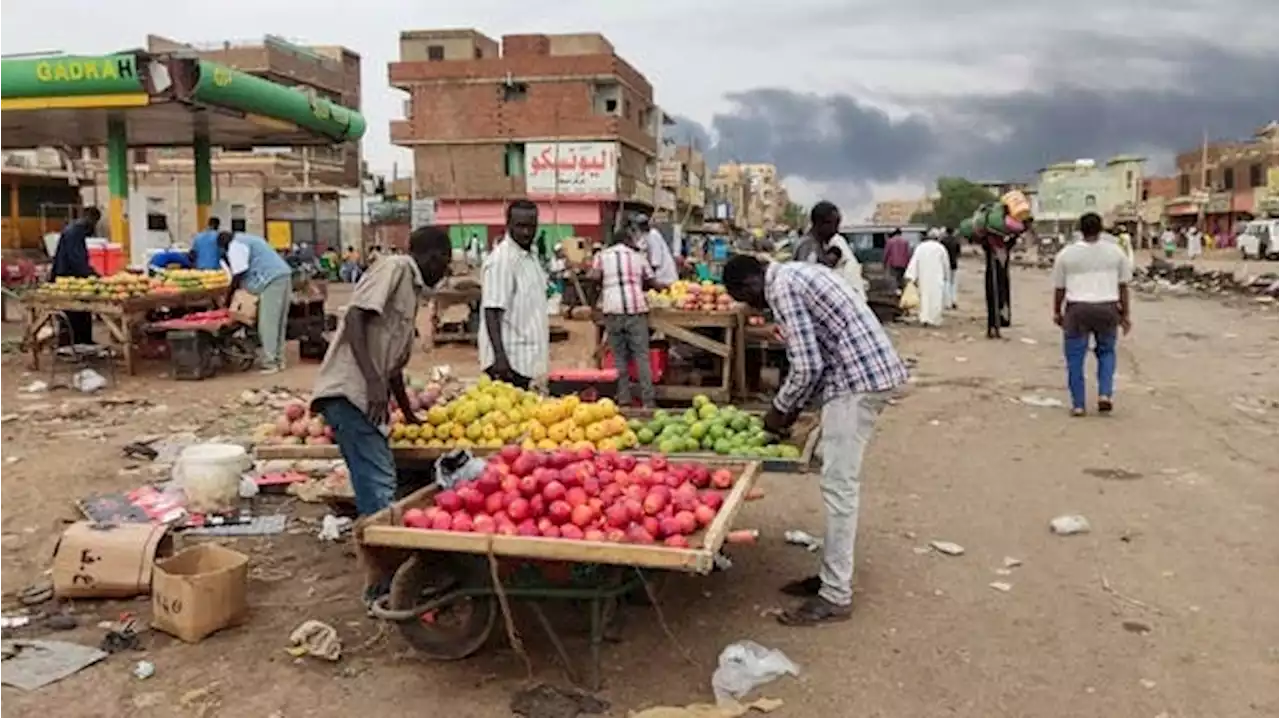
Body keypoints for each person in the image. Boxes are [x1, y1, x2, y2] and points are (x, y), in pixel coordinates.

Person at [722, 255, 908, 626]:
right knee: (835, 477)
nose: (752, 306)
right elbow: (817, 355)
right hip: (862, 374)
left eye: (745, 297)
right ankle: (830, 577)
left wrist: (779, 410)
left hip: (858, 382)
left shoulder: (782, 288)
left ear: (750, 284)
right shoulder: (795, 273)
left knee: (839, 486)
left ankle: (836, 595)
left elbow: (807, 365)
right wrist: (794, 410)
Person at [310, 225, 453, 605]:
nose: (447, 269)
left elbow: (393, 369)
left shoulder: (414, 292)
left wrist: (408, 414)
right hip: (349, 393)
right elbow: (355, 318)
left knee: (382, 484)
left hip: (367, 398)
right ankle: (383, 589)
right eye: (447, 261)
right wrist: (372, 382)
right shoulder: (396, 268)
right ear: (434, 256)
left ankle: (389, 581)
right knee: (380, 488)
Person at [1051, 212, 1132, 417]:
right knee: (1106, 352)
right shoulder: (1115, 252)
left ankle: (1079, 405)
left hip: (1077, 309)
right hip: (1107, 307)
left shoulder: (1066, 254)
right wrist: (1126, 315)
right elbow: (1123, 287)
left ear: (1079, 230)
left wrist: (1056, 312)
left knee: (1075, 358)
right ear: (1101, 229)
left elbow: (1059, 288)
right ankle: (1105, 394)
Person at [591, 223, 666, 407]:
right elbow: (652, 282)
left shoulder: (601, 256)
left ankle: (624, 399)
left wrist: (595, 302)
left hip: (612, 310)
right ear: (627, 240)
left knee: (619, 358)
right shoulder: (637, 257)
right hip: (636, 310)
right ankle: (648, 400)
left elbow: (592, 278)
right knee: (641, 356)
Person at [480, 200, 549, 389]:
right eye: (520, 226)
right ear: (508, 225)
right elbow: (492, 311)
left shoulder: (531, 257)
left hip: (529, 363)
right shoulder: (502, 261)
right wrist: (500, 358)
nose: (526, 232)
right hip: (509, 366)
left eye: (531, 226)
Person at [219, 231, 294, 373]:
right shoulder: (248, 238)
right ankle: (279, 359)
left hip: (269, 279)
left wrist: (229, 297)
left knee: (268, 323)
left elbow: (239, 272)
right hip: (282, 274)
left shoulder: (236, 245)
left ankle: (270, 363)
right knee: (279, 322)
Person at [50, 207, 102, 345]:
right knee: (73, 312)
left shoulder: (74, 229)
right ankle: (73, 343)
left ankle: (82, 342)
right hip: (67, 278)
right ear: (91, 219)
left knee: (82, 312)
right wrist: (95, 276)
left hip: (69, 277)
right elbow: (77, 260)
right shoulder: (75, 232)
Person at [904, 231, 951, 326]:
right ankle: (935, 319)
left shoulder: (920, 247)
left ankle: (924, 318)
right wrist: (947, 276)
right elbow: (946, 263)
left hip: (923, 277)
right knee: (936, 298)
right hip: (937, 277)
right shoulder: (940, 248)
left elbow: (914, 261)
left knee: (924, 298)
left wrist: (911, 276)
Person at [981, 231, 1015, 338]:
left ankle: (997, 327)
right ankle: (992, 328)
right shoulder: (991, 248)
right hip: (994, 280)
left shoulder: (1004, 247)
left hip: (1000, 281)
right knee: (993, 304)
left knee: (999, 303)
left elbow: (1012, 240)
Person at [633, 214, 680, 286]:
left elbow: (656, 261)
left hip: (664, 277)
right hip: (660, 277)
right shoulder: (645, 236)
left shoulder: (653, 235)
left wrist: (648, 278)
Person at [940, 228, 961, 309]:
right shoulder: (956, 241)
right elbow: (958, 253)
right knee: (953, 283)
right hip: (953, 264)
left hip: (945, 265)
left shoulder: (942, 241)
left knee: (945, 283)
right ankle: (953, 301)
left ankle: (946, 303)